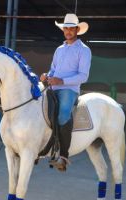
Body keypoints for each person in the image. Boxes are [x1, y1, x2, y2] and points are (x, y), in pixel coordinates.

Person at [40, 13, 92, 171]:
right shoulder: (59, 49)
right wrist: (47, 76)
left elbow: (84, 76)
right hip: (53, 86)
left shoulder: (84, 50)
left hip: (69, 90)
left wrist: (61, 81)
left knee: (63, 115)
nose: (68, 31)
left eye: (71, 28)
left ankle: (63, 156)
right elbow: (53, 69)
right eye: (66, 28)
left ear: (77, 30)